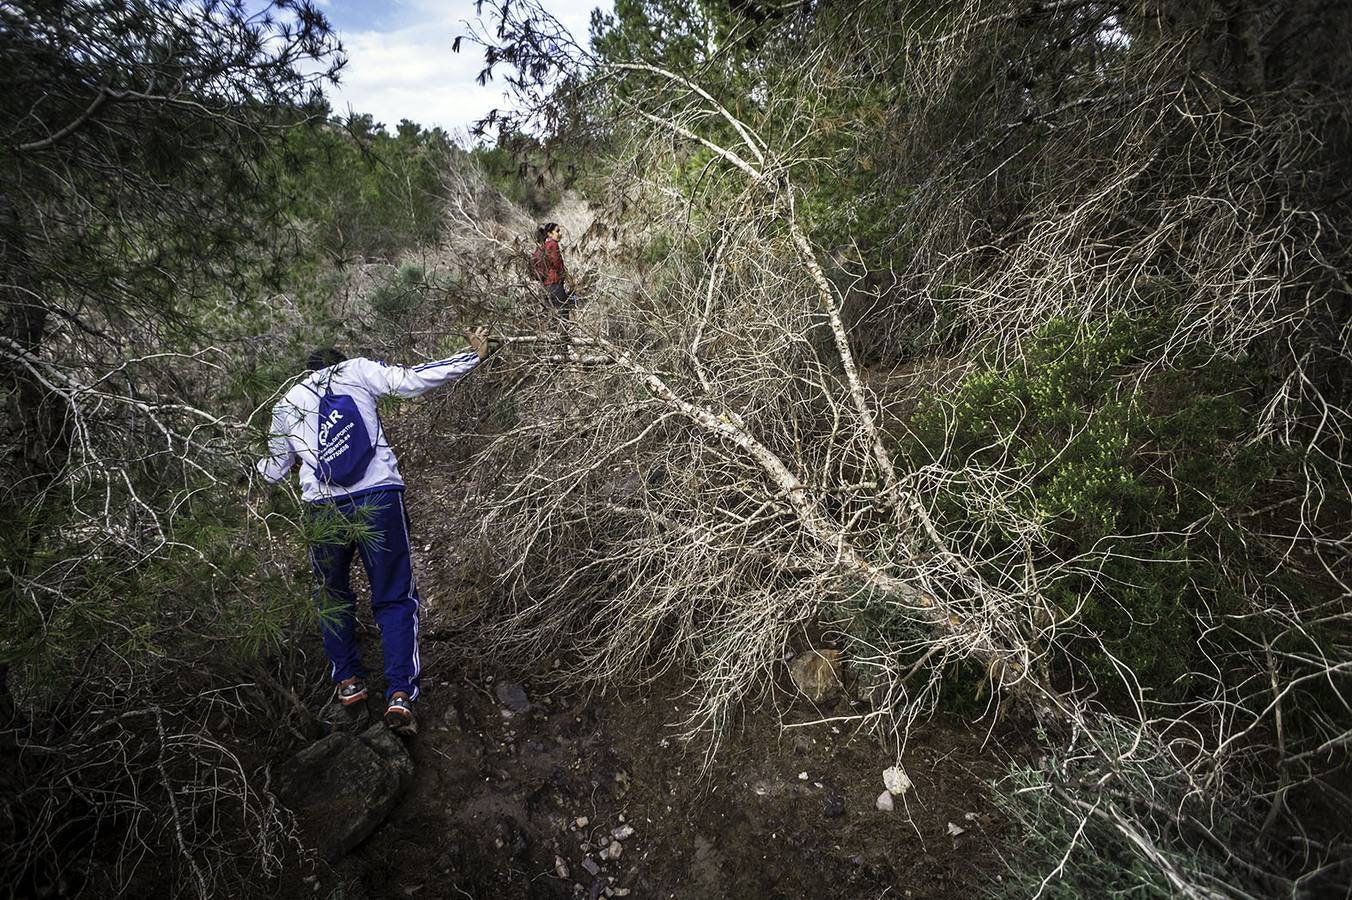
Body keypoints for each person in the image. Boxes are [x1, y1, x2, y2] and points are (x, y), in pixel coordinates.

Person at [256, 329, 491, 736]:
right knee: (395, 596)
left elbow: (274, 470)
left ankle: (349, 684)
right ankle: (399, 696)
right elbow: (410, 381)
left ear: (306, 372)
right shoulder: (357, 370)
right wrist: (471, 357)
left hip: (323, 509)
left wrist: (250, 468)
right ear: (338, 361)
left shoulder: (287, 402)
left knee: (331, 596)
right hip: (378, 497)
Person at [532, 221, 572, 324]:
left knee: (552, 317)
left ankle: (554, 339)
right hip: (555, 284)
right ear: (549, 233)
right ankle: (564, 339)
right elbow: (557, 264)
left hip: (545, 286)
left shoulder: (541, 247)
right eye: (557, 231)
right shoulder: (553, 244)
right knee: (563, 314)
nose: (560, 234)